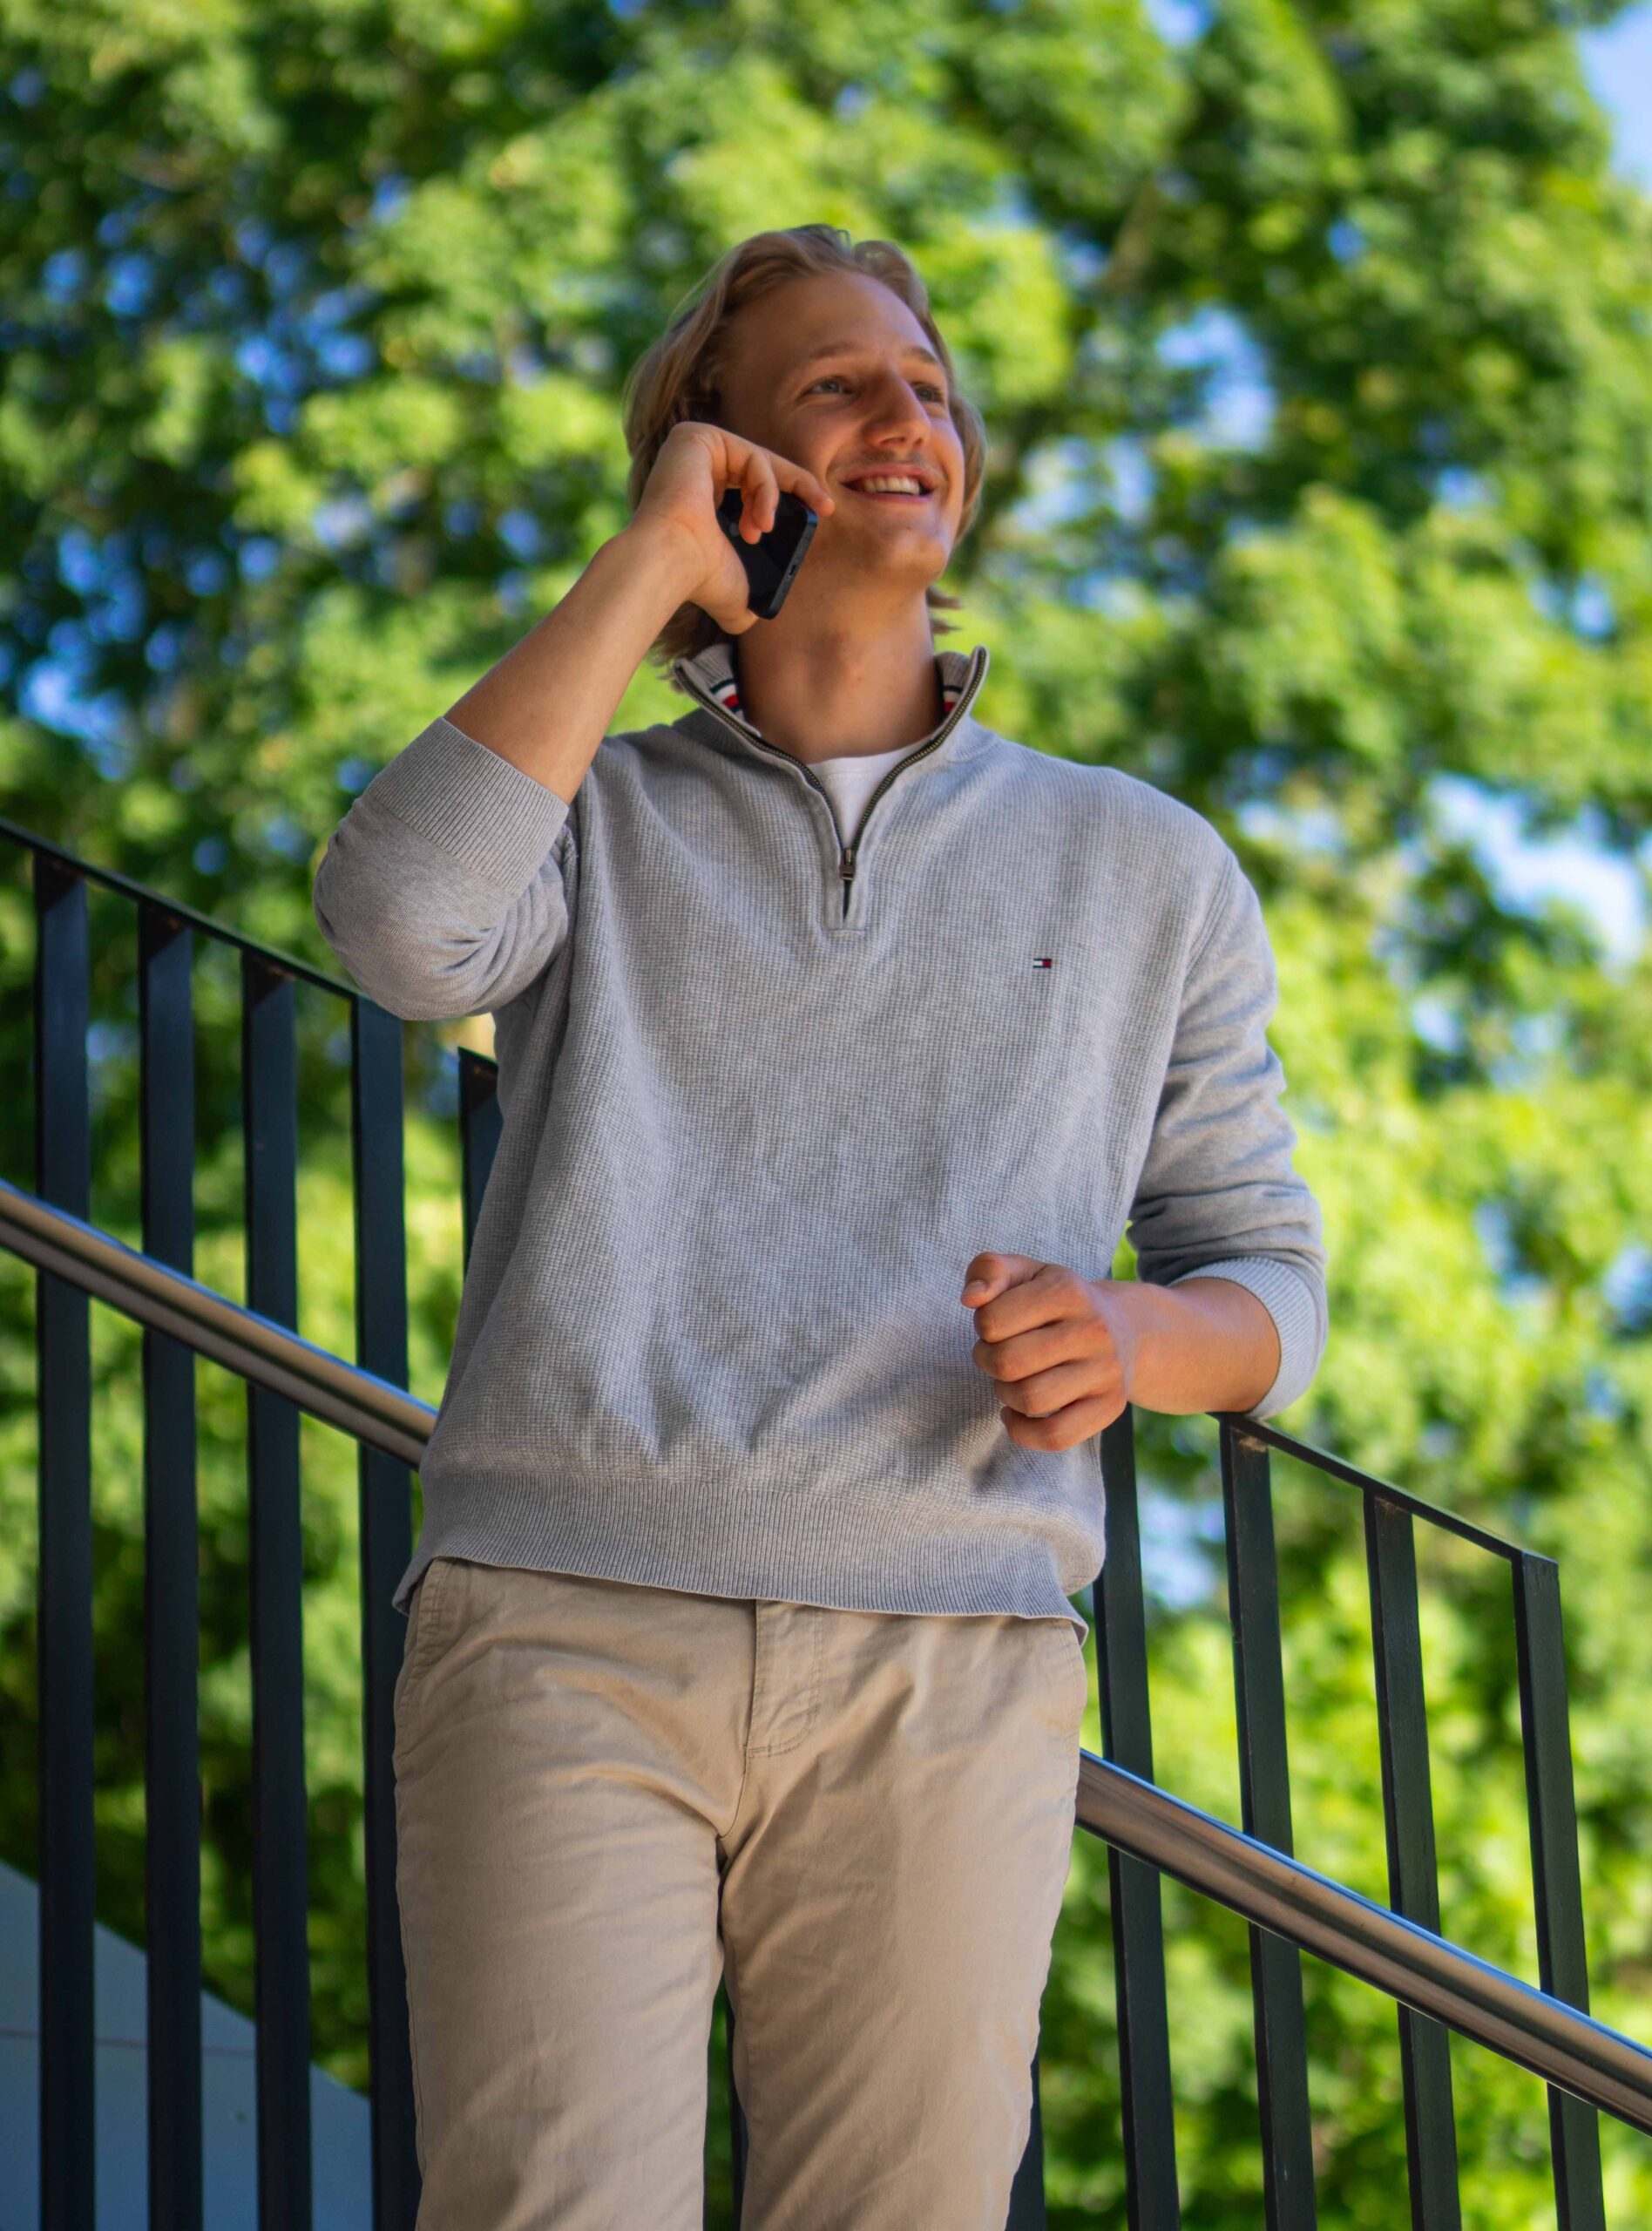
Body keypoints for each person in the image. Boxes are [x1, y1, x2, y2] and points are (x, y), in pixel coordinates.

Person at [312, 222, 1326, 2230]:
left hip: (952, 1655)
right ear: (726, 463)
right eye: (837, 385)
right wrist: (647, 570)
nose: (908, 416)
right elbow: (405, 928)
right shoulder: (587, 811)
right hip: (562, 1623)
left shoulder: (1148, 863)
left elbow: (1270, 1281)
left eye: (929, 387)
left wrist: (1132, 1336)